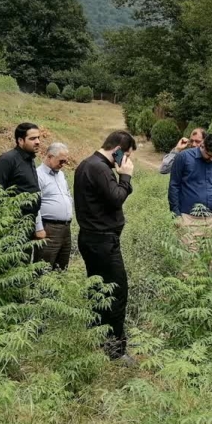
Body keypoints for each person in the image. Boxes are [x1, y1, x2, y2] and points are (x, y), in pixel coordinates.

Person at [73, 130, 137, 364]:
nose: (127, 162)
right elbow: (116, 197)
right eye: (127, 156)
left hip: (93, 238)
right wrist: (126, 176)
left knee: (98, 290)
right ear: (118, 150)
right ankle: (115, 350)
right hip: (102, 241)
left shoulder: (87, 164)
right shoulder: (99, 168)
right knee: (116, 292)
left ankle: (98, 337)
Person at [168, 133, 212, 257]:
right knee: (189, 261)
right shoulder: (184, 157)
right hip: (188, 219)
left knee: (209, 261)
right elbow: (174, 185)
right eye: (209, 155)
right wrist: (176, 214)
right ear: (202, 145)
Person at [0, 123, 45, 259]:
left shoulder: (29, 160)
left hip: (28, 224)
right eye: (32, 139)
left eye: (38, 138)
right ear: (20, 140)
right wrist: (3, 225)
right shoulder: (7, 160)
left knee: (23, 265)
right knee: (11, 266)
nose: (38, 141)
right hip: (12, 227)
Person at [160, 127, 212, 215]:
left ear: (203, 142)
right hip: (187, 215)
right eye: (191, 141)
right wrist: (177, 150)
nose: (194, 144)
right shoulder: (184, 157)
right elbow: (164, 171)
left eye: (197, 141)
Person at [34, 142, 74, 271]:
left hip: (65, 228)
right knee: (43, 267)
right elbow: (34, 204)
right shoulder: (38, 175)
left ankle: (57, 291)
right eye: (61, 161)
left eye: (65, 161)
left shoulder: (60, 175)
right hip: (49, 228)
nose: (63, 165)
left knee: (61, 268)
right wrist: (39, 228)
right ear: (50, 157)